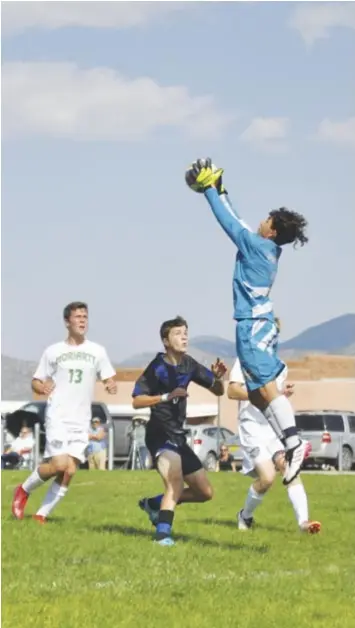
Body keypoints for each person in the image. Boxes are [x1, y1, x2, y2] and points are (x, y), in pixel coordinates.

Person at [188, 158, 308, 485]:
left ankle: (295, 443)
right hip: (260, 324)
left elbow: (229, 222)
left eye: (267, 218)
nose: (261, 220)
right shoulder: (266, 248)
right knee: (257, 395)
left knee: (267, 389)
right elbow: (239, 219)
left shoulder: (255, 246)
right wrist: (221, 186)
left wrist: (207, 192)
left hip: (253, 325)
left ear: (273, 229)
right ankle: (291, 441)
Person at [11, 302, 117, 523]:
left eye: (85, 317)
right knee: (59, 464)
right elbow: (36, 381)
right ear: (67, 322)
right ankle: (23, 490)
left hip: (82, 420)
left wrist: (110, 385)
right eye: (78, 317)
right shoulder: (53, 351)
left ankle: (41, 515)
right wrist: (42, 387)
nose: (82, 321)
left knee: (69, 470)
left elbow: (109, 377)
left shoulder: (97, 351)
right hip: (58, 415)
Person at [132, 315, 226, 546]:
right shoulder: (157, 367)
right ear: (166, 340)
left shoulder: (189, 364)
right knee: (174, 482)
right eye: (177, 333)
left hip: (178, 437)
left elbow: (219, 391)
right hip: (159, 435)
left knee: (205, 493)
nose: (184, 336)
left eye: (185, 332)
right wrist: (165, 396)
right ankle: (162, 535)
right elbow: (136, 401)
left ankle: (154, 504)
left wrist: (218, 379)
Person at [227, 355, 321, 534]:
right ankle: (245, 515)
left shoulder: (279, 364)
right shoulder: (245, 360)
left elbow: (273, 394)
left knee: (288, 468)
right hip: (252, 428)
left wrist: (281, 392)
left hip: (273, 426)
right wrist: (259, 396)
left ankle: (303, 523)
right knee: (267, 478)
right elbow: (232, 391)